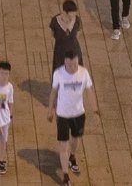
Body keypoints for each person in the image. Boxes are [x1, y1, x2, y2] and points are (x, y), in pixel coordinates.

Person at [50, 50, 92, 185]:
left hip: (78, 114)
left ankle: (72, 156)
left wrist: (95, 107)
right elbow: (53, 92)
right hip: (62, 115)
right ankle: (66, 175)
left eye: (74, 65)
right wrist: (50, 110)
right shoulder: (58, 74)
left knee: (75, 140)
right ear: (65, 63)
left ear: (77, 62)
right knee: (63, 145)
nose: (72, 68)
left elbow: (89, 90)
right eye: (69, 65)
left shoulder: (84, 73)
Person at [49, 0, 84, 65]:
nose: (73, 16)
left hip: (74, 51)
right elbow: (53, 34)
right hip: (60, 52)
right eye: (71, 14)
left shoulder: (77, 20)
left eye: (74, 14)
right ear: (65, 12)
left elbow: (78, 34)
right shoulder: (55, 21)